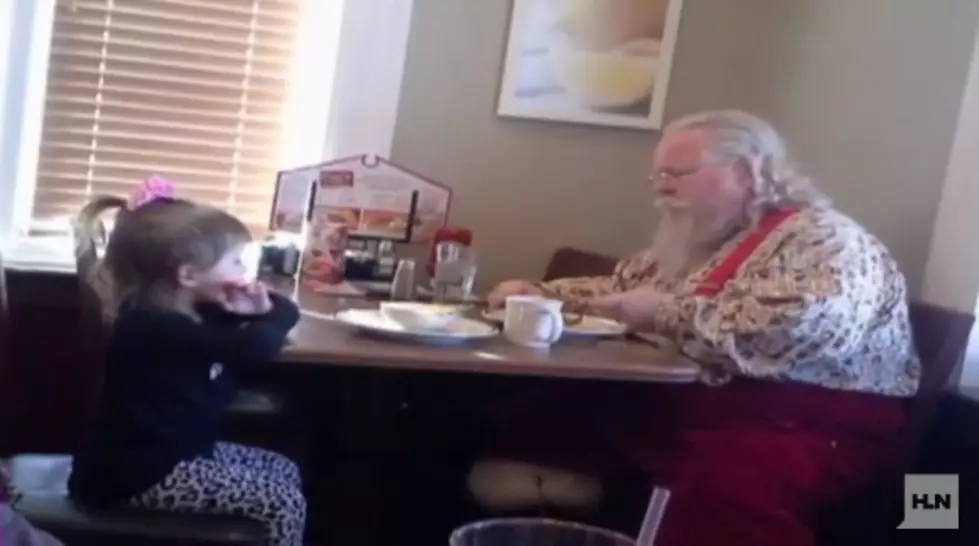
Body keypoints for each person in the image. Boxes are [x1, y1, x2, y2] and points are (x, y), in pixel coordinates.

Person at [470, 110, 919, 546]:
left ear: (746, 172)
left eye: (678, 173)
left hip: (813, 422)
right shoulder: (708, 236)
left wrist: (666, 313)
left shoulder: (826, 239)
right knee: (542, 412)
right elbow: (623, 288)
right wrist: (541, 292)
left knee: (726, 477)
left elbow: (804, 328)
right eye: (657, 177)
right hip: (709, 405)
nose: (661, 188)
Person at [67, 177, 304, 546]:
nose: (245, 272)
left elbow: (268, 323)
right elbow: (251, 349)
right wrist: (267, 317)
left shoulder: (193, 313)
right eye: (236, 261)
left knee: (283, 468)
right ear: (188, 275)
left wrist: (259, 311)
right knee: (281, 501)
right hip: (139, 476)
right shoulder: (152, 326)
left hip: (178, 455)